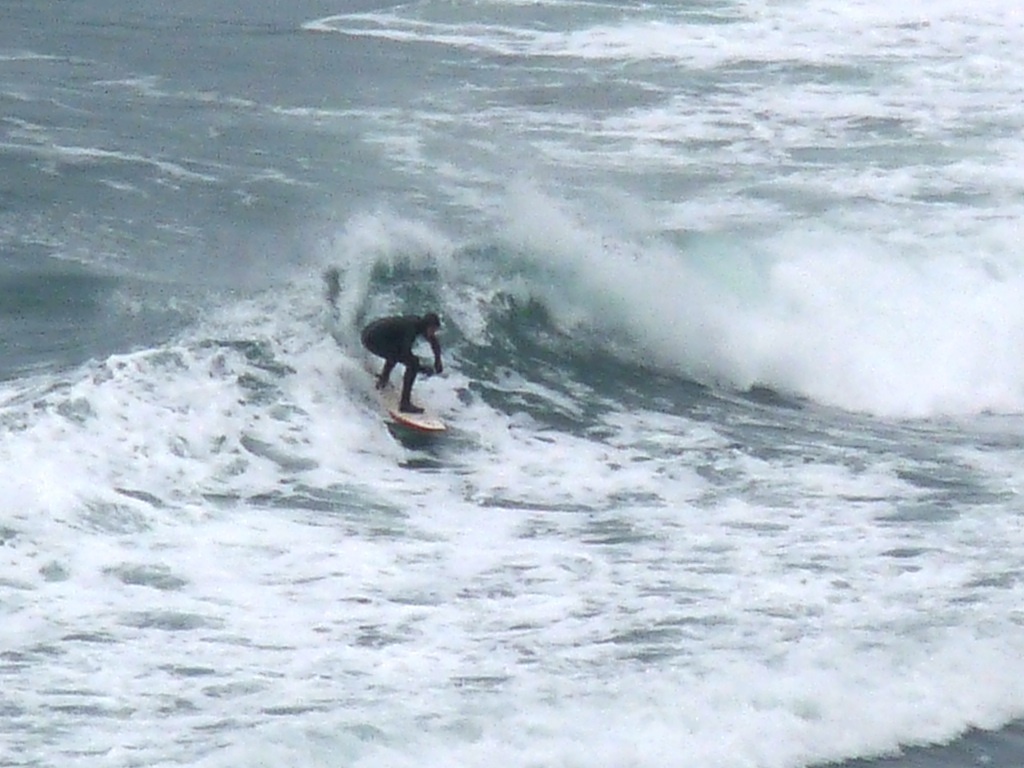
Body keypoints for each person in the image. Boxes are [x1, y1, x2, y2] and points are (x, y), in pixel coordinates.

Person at [361, 312, 443, 413]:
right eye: (433, 330)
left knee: (396, 350)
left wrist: (438, 361)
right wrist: (420, 368)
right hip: (372, 340)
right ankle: (405, 404)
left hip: (369, 334)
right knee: (413, 363)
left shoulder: (419, 323)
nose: (433, 333)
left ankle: (384, 378)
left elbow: (434, 342)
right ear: (428, 326)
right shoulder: (411, 329)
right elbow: (405, 353)